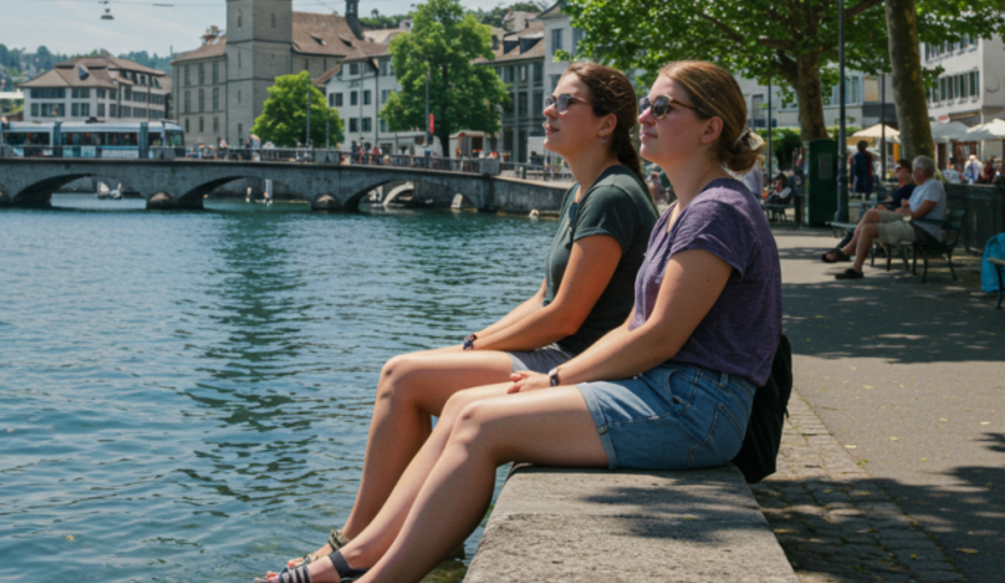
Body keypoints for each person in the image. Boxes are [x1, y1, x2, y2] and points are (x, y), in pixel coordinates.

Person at [262, 60, 780, 583]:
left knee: (481, 424)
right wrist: (529, 369)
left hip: (695, 408)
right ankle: (356, 558)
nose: (643, 115)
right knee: (467, 405)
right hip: (663, 390)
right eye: (646, 103)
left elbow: (659, 336)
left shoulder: (717, 210)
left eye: (662, 107)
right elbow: (632, 326)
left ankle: (370, 575)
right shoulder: (678, 211)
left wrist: (554, 378)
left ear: (711, 128)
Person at [835, 156, 946, 280]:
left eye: (915, 170)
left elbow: (917, 214)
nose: (913, 173)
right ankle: (851, 249)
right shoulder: (920, 187)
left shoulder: (934, 185)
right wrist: (905, 207)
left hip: (921, 227)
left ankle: (856, 268)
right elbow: (909, 210)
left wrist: (905, 210)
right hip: (909, 221)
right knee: (871, 213)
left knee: (868, 229)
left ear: (922, 171)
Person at [822, 159, 914, 263]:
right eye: (895, 169)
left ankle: (844, 251)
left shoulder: (909, 188)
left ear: (907, 171)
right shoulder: (899, 187)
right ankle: (842, 251)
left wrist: (887, 208)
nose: (896, 171)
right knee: (860, 226)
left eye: (898, 169)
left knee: (866, 221)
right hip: (884, 215)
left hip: (893, 218)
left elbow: (899, 205)